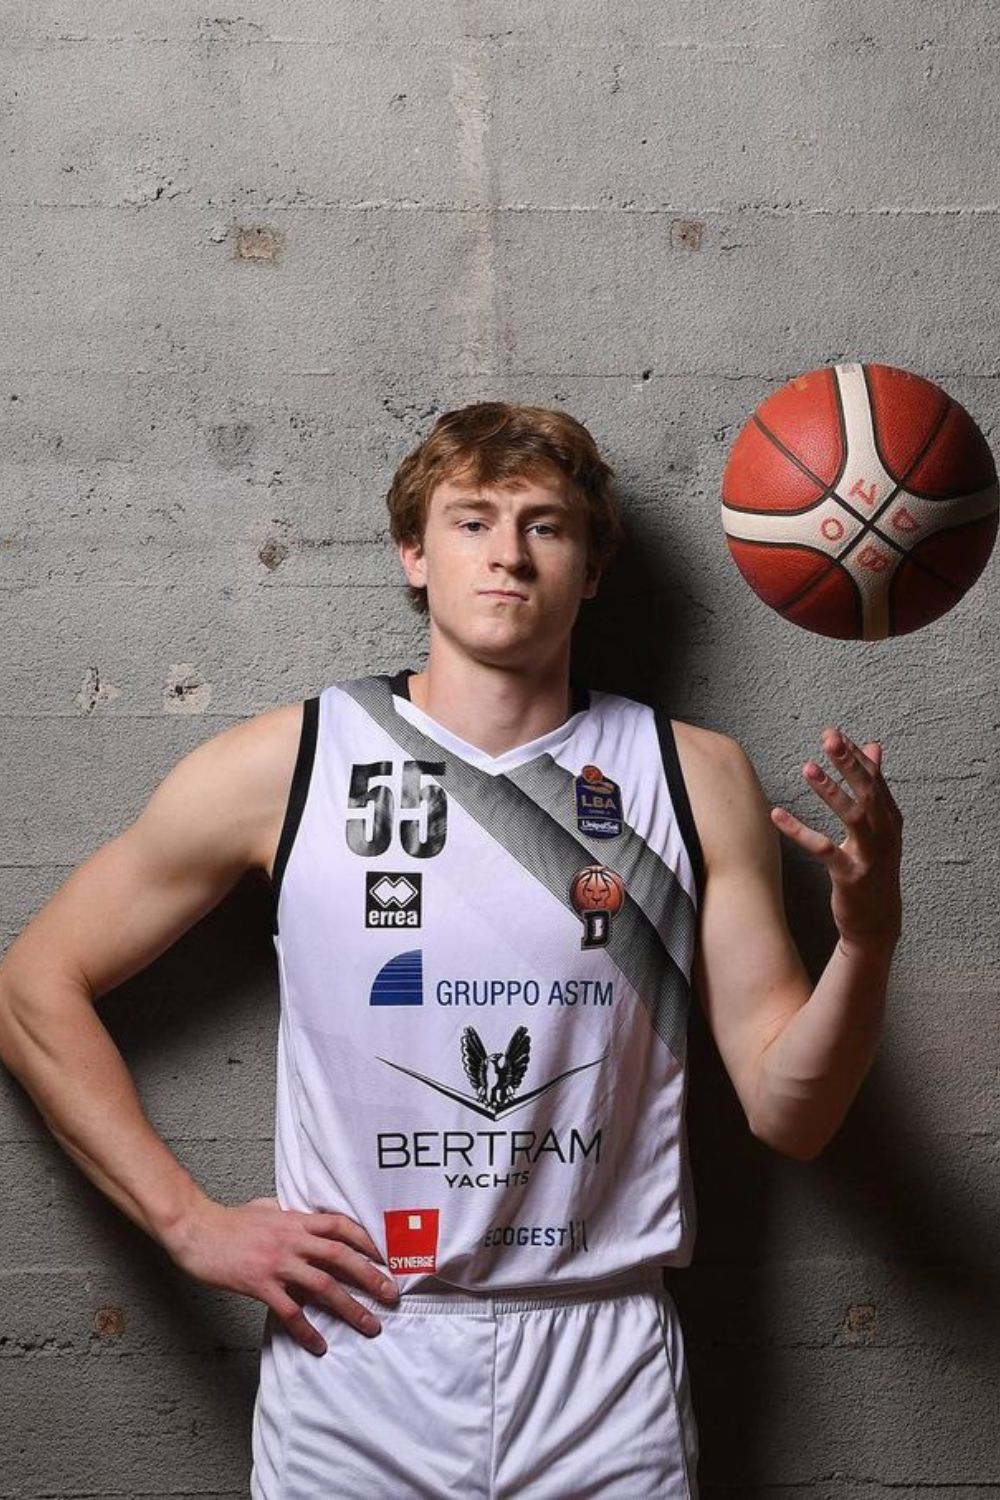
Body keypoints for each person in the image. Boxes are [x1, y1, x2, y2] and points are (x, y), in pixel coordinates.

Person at [0, 401, 903, 1498]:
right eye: (471, 521)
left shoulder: (688, 776)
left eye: (546, 525)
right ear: (413, 554)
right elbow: (32, 984)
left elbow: (788, 1108)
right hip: (361, 1349)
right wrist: (189, 1224)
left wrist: (865, 937)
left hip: (600, 1362)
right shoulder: (291, 763)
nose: (508, 554)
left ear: (593, 567)